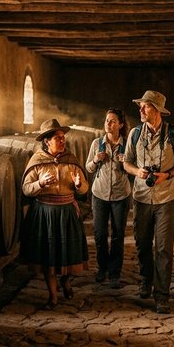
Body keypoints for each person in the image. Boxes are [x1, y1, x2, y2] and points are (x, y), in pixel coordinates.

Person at [123, 90, 174, 314]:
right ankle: (145, 280)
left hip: (166, 198)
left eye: (146, 106)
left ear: (157, 110)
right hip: (141, 197)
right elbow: (126, 162)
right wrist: (137, 172)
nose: (141, 110)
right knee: (143, 244)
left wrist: (168, 175)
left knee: (163, 248)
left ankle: (162, 295)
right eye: (140, 106)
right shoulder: (134, 134)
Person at [21, 118, 90, 310]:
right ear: (46, 141)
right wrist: (40, 183)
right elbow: (26, 190)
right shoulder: (37, 162)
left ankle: (66, 280)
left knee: (71, 254)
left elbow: (84, 189)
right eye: (57, 138)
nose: (62, 141)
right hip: (45, 214)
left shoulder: (71, 160)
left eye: (63, 137)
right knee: (48, 258)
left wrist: (79, 185)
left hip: (67, 212)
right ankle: (52, 296)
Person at [84, 108, 131, 289]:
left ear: (120, 124)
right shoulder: (97, 143)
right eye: (106, 121)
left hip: (121, 195)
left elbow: (135, 170)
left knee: (118, 236)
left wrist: (125, 163)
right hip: (100, 194)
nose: (108, 124)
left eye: (112, 121)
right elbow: (88, 168)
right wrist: (96, 160)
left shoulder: (127, 144)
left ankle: (114, 274)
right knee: (100, 234)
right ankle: (102, 267)